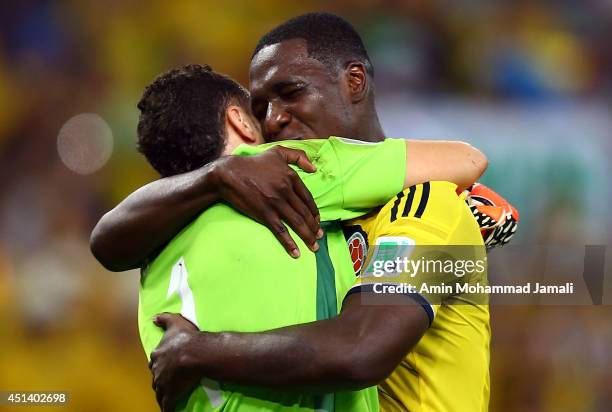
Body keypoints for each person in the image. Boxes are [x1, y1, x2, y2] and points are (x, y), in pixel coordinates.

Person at [91, 12, 515, 412]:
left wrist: (200, 350)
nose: (273, 121)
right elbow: (107, 241)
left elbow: (361, 349)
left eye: (291, 93)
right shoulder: (279, 201)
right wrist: (218, 174)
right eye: (260, 109)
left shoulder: (424, 204)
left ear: (353, 82)